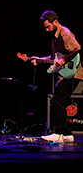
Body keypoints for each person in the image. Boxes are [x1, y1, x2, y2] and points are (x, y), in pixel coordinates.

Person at [31, 11, 82, 143]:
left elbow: (77, 48)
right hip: (66, 73)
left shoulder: (64, 33)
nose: (46, 30)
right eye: (45, 27)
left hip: (73, 72)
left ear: (55, 22)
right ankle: (66, 135)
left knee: (58, 100)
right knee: (59, 101)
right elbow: (55, 58)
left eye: (48, 26)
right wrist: (39, 59)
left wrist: (64, 60)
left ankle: (60, 132)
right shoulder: (54, 37)